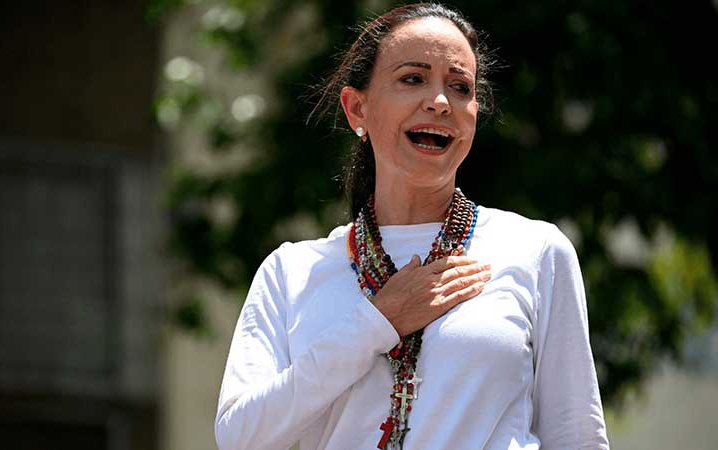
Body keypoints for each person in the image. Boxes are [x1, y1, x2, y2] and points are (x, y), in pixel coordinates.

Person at [214, 3, 610, 449]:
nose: (440, 102)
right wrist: (377, 322)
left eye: (460, 87)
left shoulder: (535, 250)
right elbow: (240, 436)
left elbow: (577, 436)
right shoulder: (292, 272)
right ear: (357, 108)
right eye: (413, 79)